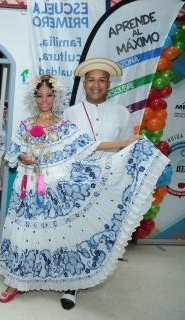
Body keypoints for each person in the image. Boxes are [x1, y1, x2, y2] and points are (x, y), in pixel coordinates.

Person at [0, 75, 169, 309]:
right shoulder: (26, 124)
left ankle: (53, 277)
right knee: (23, 233)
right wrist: (21, 157)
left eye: (49, 95)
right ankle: (15, 282)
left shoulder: (65, 126)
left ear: (55, 98)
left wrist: (127, 142)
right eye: (40, 96)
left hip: (55, 190)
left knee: (52, 235)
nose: (44, 100)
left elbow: (92, 146)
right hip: (27, 188)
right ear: (34, 98)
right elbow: (13, 152)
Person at [61, 58, 139, 308]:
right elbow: (67, 149)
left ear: (109, 84)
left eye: (101, 80)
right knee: (75, 233)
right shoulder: (70, 113)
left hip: (109, 184)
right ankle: (70, 284)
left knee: (97, 234)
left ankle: (90, 273)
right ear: (84, 83)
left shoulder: (121, 113)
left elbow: (128, 149)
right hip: (77, 183)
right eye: (91, 80)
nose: (96, 85)